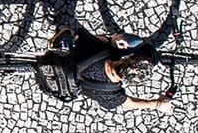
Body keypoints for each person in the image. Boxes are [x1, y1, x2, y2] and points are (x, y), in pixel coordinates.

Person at [44, 24, 172, 110]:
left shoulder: (99, 50)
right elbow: (130, 102)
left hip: (60, 61)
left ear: (127, 58)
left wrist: (111, 40)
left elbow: (77, 34)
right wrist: (158, 104)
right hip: (59, 81)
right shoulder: (111, 94)